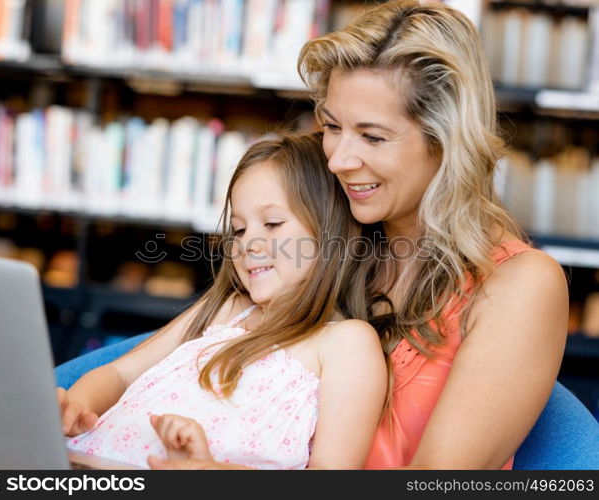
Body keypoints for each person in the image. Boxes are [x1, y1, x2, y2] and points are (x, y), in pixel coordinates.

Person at [295, 0, 568, 470]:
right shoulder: (326, 234)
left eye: (373, 137)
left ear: (446, 141)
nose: (338, 160)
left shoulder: (520, 286)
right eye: (332, 127)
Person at [58, 133, 387, 470]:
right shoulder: (227, 310)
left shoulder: (346, 342)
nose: (248, 244)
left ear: (332, 232)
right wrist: (76, 405)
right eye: (239, 230)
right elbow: (120, 374)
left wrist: (214, 471)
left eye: (272, 224)